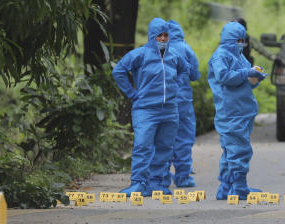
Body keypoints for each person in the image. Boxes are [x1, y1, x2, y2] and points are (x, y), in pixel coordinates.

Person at [112, 18, 194, 195]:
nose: (163, 39)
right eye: (159, 36)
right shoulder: (140, 55)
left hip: (170, 109)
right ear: (152, 36)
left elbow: (185, 69)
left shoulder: (174, 55)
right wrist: (132, 94)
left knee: (165, 147)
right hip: (146, 110)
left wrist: (176, 86)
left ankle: (157, 183)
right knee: (143, 145)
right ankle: (138, 183)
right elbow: (118, 71)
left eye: (166, 35)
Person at [207, 21, 267, 200]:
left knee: (230, 151)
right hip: (231, 111)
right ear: (229, 39)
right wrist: (247, 74)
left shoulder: (240, 57)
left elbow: (243, 84)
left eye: (244, 40)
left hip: (243, 110)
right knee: (239, 150)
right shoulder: (221, 56)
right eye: (238, 40)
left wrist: (255, 78)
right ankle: (239, 188)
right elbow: (224, 76)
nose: (242, 43)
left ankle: (226, 187)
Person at [155, 20, 201, 188]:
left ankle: (162, 178)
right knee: (184, 137)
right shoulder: (185, 49)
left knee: (163, 139)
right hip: (183, 102)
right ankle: (182, 177)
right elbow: (195, 74)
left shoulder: (158, 48)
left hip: (163, 101)